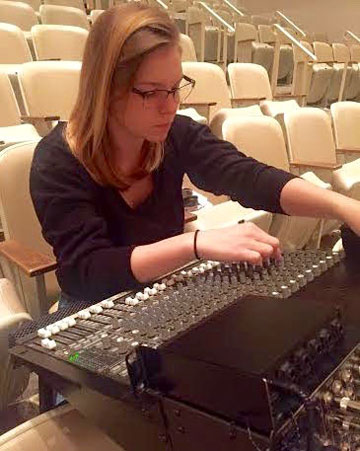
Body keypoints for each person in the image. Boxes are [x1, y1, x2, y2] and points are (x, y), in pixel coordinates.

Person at [30, 3, 360, 307]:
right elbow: (88, 272)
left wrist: (342, 206)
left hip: (164, 287)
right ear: (106, 89)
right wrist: (195, 244)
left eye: (175, 88)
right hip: (92, 307)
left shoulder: (176, 133)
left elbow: (248, 177)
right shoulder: (56, 160)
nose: (170, 106)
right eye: (152, 92)